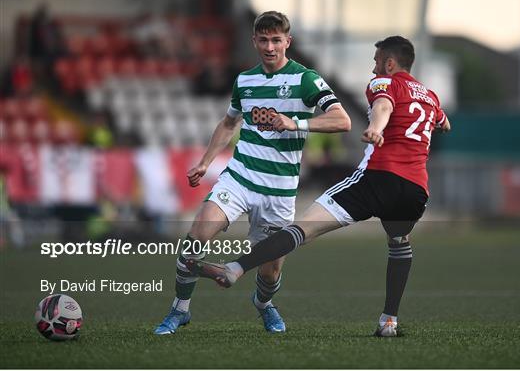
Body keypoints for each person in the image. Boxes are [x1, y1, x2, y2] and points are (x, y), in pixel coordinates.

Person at [186, 35, 451, 337]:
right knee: (399, 244)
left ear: (390, 63)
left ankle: (236, 267)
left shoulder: (387, 83)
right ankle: (389, 320)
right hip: (416, 190)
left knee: (302, 229)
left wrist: (376, 129)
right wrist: (438, 122)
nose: (373, 68)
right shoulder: (430, 96)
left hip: (378, 178)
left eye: (377, 61)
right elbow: (443, 122)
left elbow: (383, 106)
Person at [154, 11, 351, 335]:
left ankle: (263, 304)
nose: (270, 47)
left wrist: (296, 122)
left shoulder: (306, 79)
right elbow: (230, 122)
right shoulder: (245, 80)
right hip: (241, 176)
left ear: (288, 41)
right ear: (254, 41)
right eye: (264, 40)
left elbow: (342, 120)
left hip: (280, 189)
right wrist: (206, 161)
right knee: (198, 234)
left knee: (270, 272)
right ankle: (180, 309)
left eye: (276, 40)